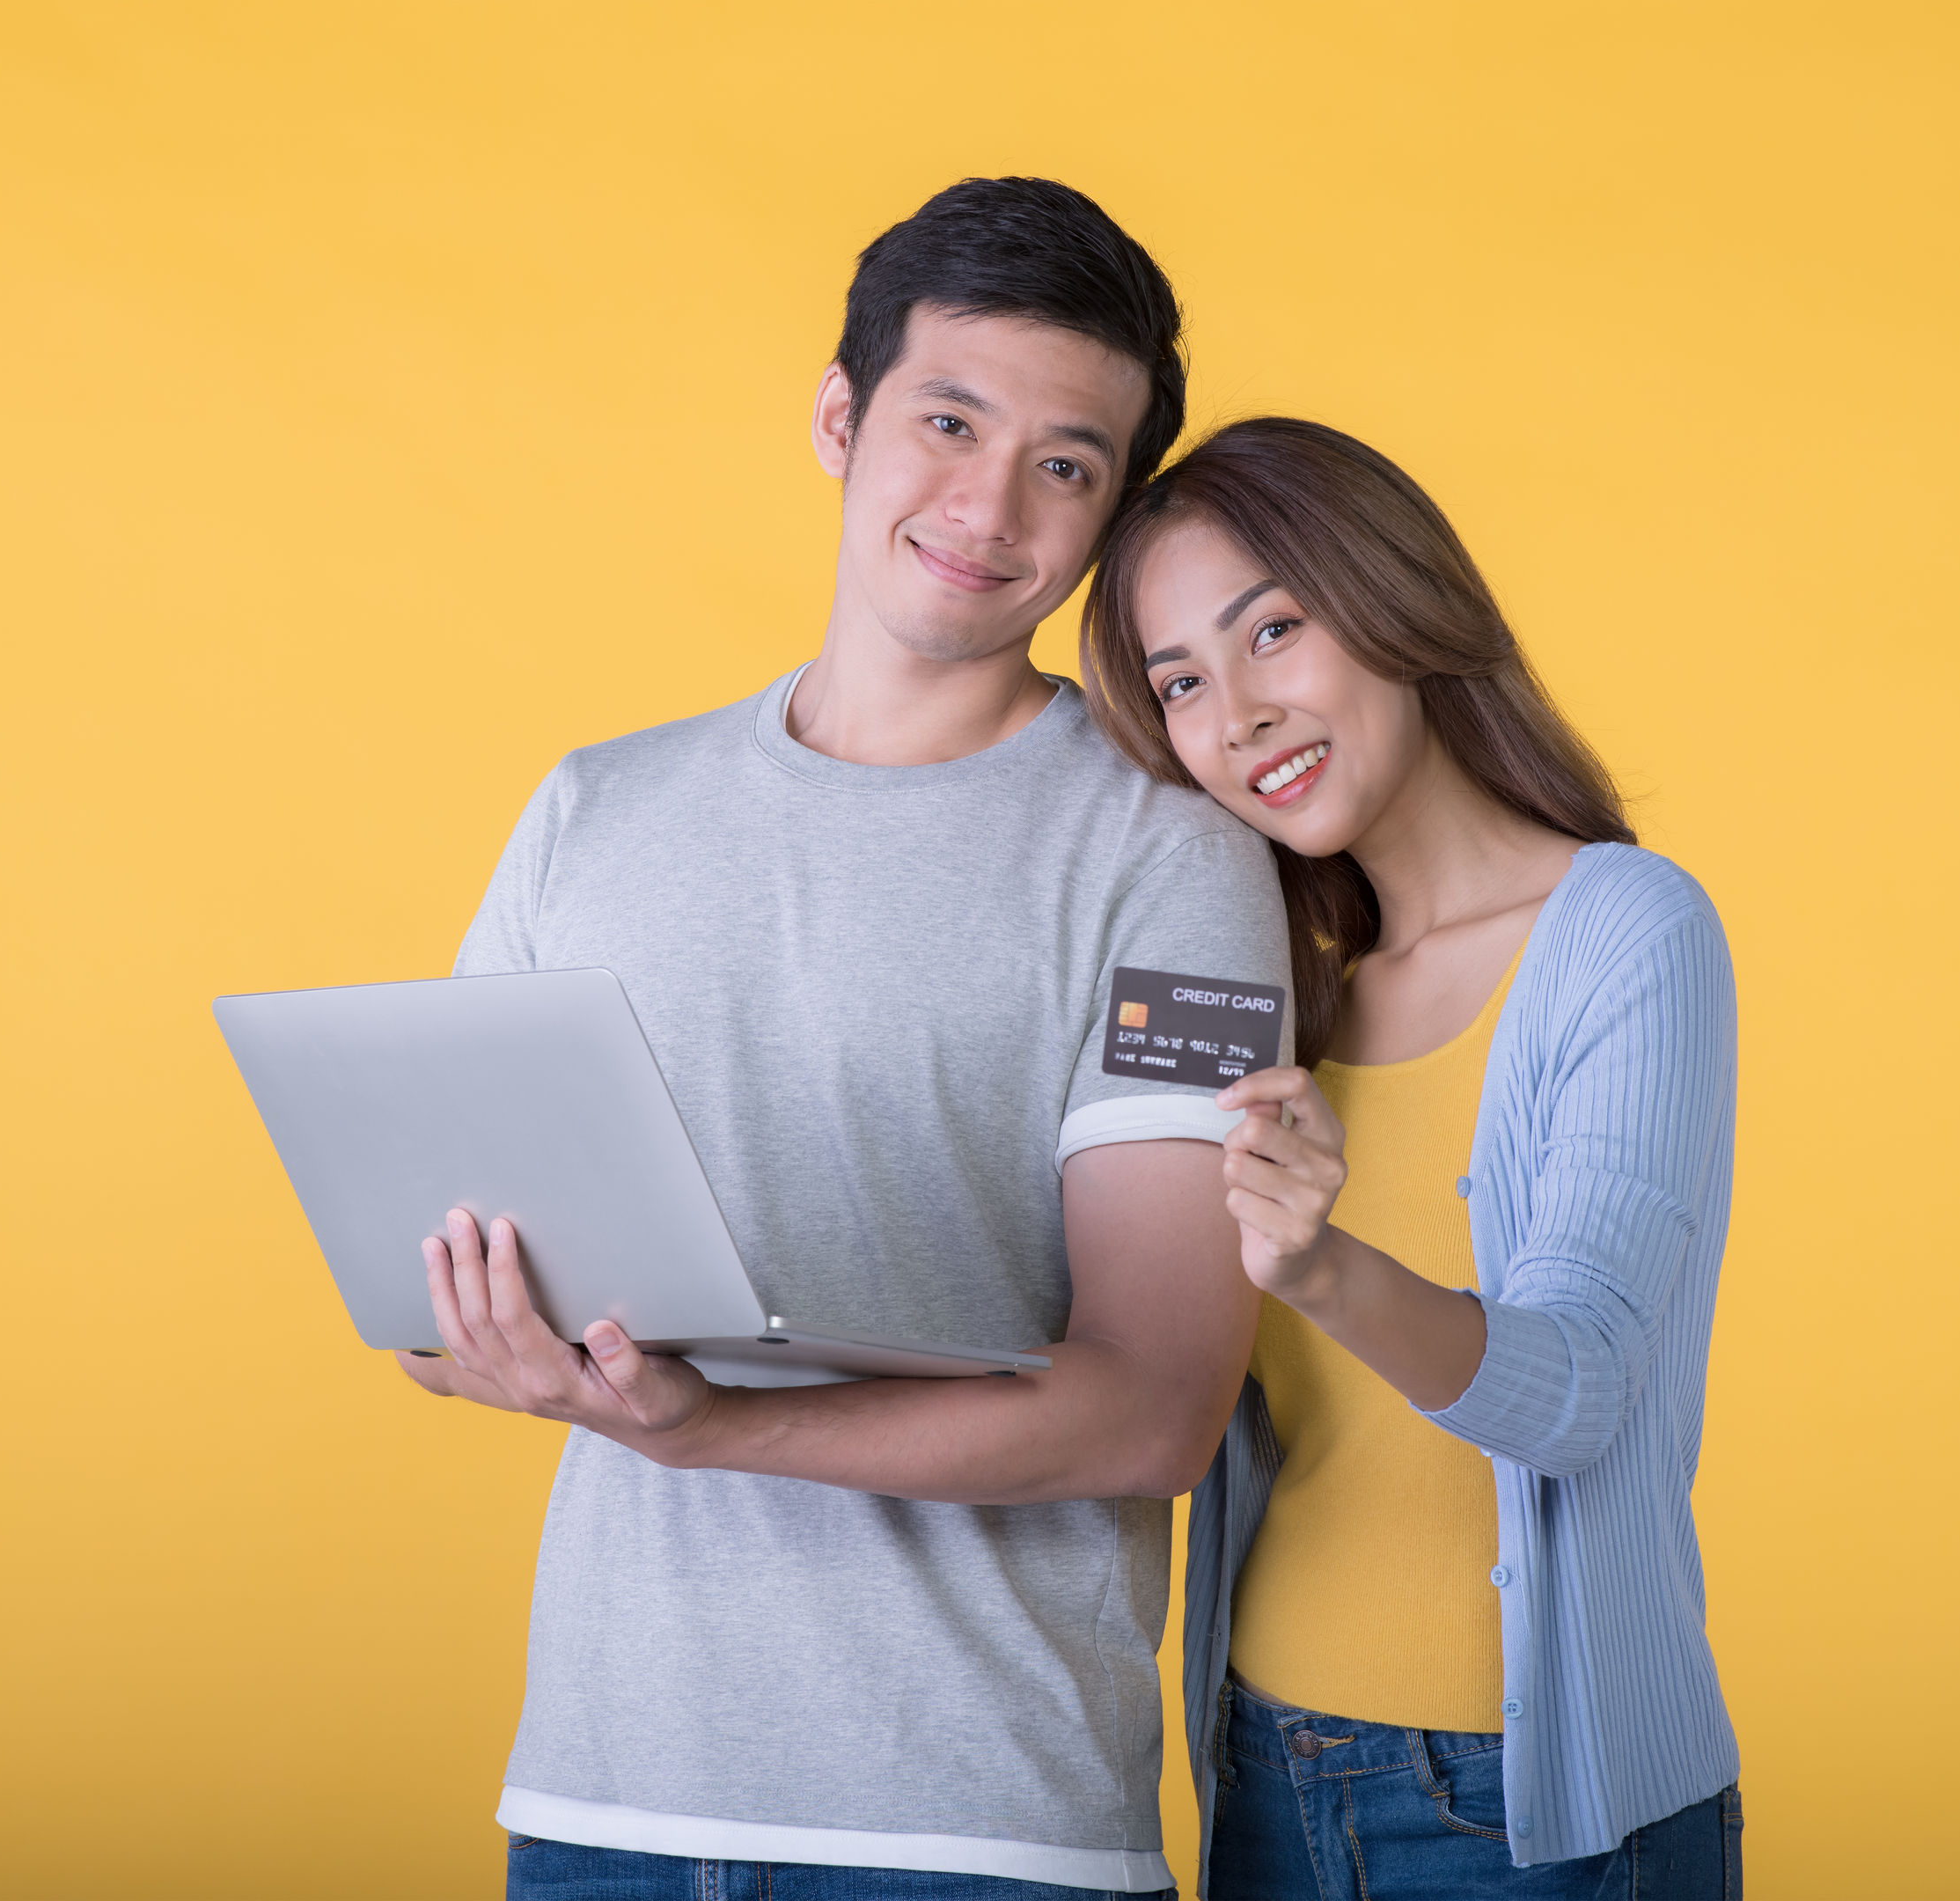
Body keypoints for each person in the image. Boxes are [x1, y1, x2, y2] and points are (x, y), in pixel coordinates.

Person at [396, 177, 1288, 1899]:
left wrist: (703, 1427)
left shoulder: (1172, 861)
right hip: (605, 1808)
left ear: (1106, 518)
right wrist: (489, 1345)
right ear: (838, 417)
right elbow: (433, 1306)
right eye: (947, 422)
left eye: (1067, 464)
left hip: (976, 1829)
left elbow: (1155, 1410)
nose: (990, 503)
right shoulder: (595, 810)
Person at [1078, 417, 1745, 1898]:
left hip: (1533, 1815)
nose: (1237, 712)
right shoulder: (1265, 995)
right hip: (1263, 1775)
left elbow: (1577, 1395)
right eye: (1182, 681)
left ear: (1393, 600)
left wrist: (1322, 1267)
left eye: (1274, 631)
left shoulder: (1629, 933)